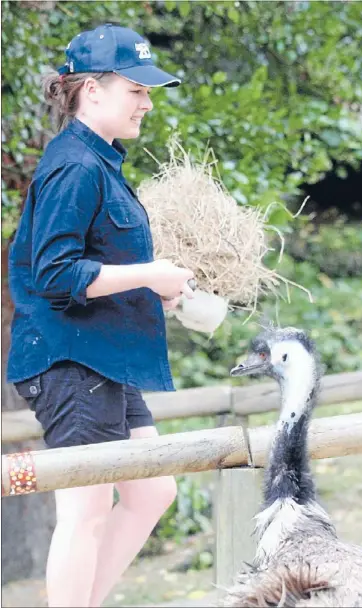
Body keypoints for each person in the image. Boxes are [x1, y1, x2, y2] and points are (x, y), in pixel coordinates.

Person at [7, 23, 195, 608]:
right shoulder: (75, 166)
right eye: (135, 89)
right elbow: (56, 274)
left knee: (151, 492)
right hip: (70, 360)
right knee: (85, 510)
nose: (148, 101)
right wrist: (147, 275)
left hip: (101, 356)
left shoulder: (100, 161)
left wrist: (151, 286)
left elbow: (93, 265)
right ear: (92, 91)